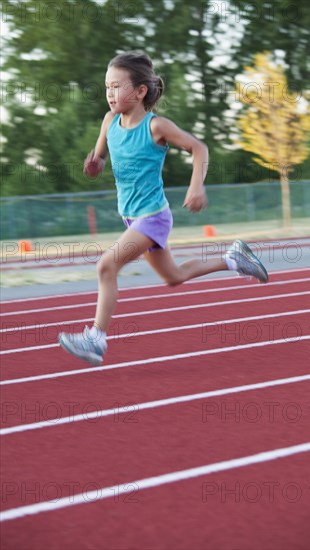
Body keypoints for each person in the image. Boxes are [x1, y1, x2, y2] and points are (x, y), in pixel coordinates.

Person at [59, 51, 268, 366]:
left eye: (117, 87)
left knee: (106, 267)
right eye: (107, 88)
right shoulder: (109, 121)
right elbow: (99, 158)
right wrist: (94, 164)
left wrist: (196, 186)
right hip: (131, 216)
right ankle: (233, 258)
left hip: (152, 217)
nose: (110, 94)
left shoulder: (156, 126)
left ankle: (96, 339)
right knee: (173, 276)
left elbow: (199, 148)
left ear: (140, 91)